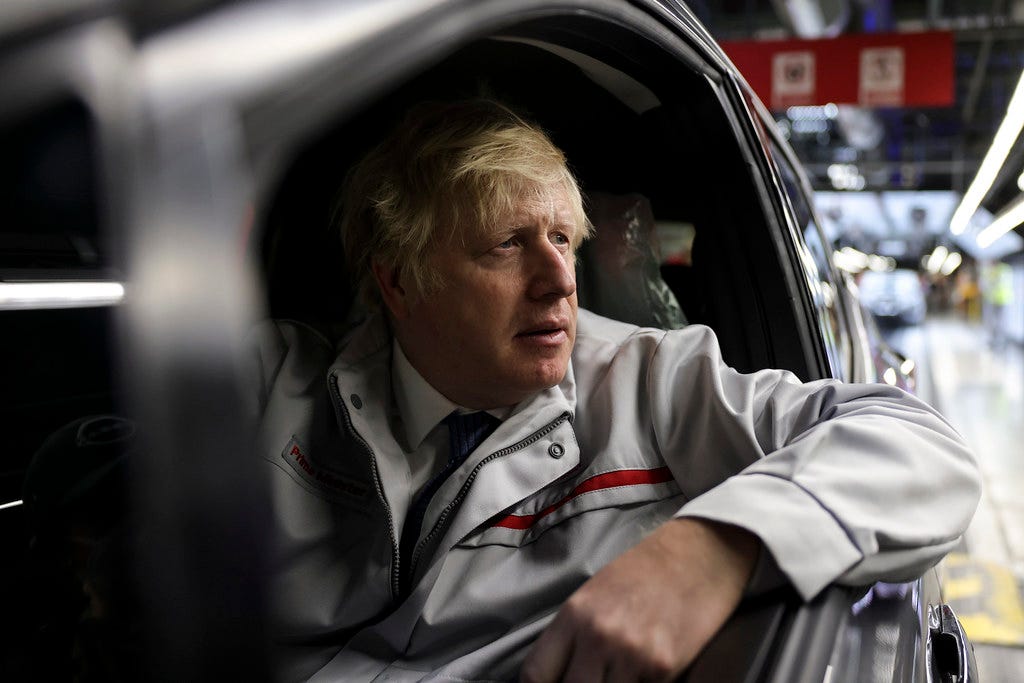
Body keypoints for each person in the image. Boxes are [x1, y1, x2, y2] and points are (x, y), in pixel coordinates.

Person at [251, 98, 980, 682]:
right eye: (509, 243)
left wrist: (715, 547)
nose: (559, 278)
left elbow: (922, 447)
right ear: (400, 280)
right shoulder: (270, 384)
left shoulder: (648, 380)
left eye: (563, 239)